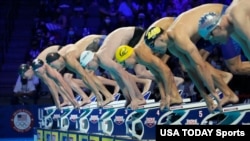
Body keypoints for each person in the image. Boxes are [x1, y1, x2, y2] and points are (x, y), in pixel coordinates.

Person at [141, 5, 238, 112]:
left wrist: (214, 95)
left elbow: (200, 65)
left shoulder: (179, 37)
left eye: (152, 46)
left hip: (219, 17)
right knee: (188, 67)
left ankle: (226, 86)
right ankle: (228, 92)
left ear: (160, 38)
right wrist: (205, 97)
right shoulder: (172, 46)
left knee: (237, 66)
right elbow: (191, 71)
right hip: (204, 30)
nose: (153, 51)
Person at [79, 26, 182, 110]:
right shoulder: (102, 59)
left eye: (88, 66)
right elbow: (119, 78)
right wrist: (128, 98)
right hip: (129, 36)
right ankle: (141, 96)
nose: (89, 69)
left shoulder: (103, 58)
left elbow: (125, 76)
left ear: (91, 59)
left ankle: (171, 81)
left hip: (135, 35)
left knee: (140, 71)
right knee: (129, 74)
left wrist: (134, 99)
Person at [46, 35, 115, 107]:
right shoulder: (62, 58)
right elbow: (60, 84)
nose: (57, 69)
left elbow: (84, 75)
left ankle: (109, 93)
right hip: (93, 43)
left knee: (89, 73)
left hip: (98, 41)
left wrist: (97, 94)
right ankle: (107, 95)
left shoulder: (69, 58)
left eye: (54, 66)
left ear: (58, 60)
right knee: (86, 74)